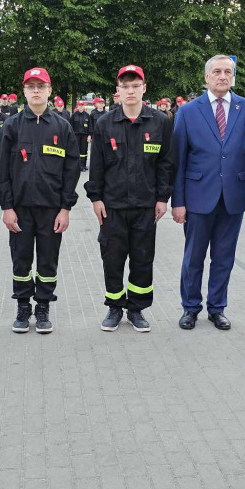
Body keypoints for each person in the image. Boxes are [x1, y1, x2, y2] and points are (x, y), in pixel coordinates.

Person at [172, 55, 245, 330]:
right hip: (198, 197)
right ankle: (190, 308)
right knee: (193, 258)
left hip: (233, 197)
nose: (223, 76)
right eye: (217, 71)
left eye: (228, 71)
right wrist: (178, 202)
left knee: (224, 258)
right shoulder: (188, 111)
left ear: (233, 76)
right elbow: (178, 161)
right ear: (206, 78)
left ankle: (217, 308)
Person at [86, 65, 176, 332]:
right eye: (125, 86)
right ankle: (114, 306)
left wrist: (162, 198)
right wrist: (96, 198)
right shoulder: (105, 124)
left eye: (135, 85)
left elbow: (166, 163)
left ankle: (136, 309)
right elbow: (97, 166)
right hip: (112, 207)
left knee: (142, 258)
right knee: (112, 258)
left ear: (144, 88)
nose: (130, 90)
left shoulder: (160, 122)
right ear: (118, 91)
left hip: (146, 207)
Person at [0, 67, 80, 333]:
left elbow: (71, 170)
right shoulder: (12, 126)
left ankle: (42, 307)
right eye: (30, 86)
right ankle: (22, 307)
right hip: (19, 209)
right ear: (24, 91)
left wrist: (65, 208)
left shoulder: (62, 127)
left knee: (47, 261)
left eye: (40, 86)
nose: (35, 91)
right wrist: (6, 207)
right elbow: (2, 171)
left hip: (51, 209)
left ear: (49, 90)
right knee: (20, 261)